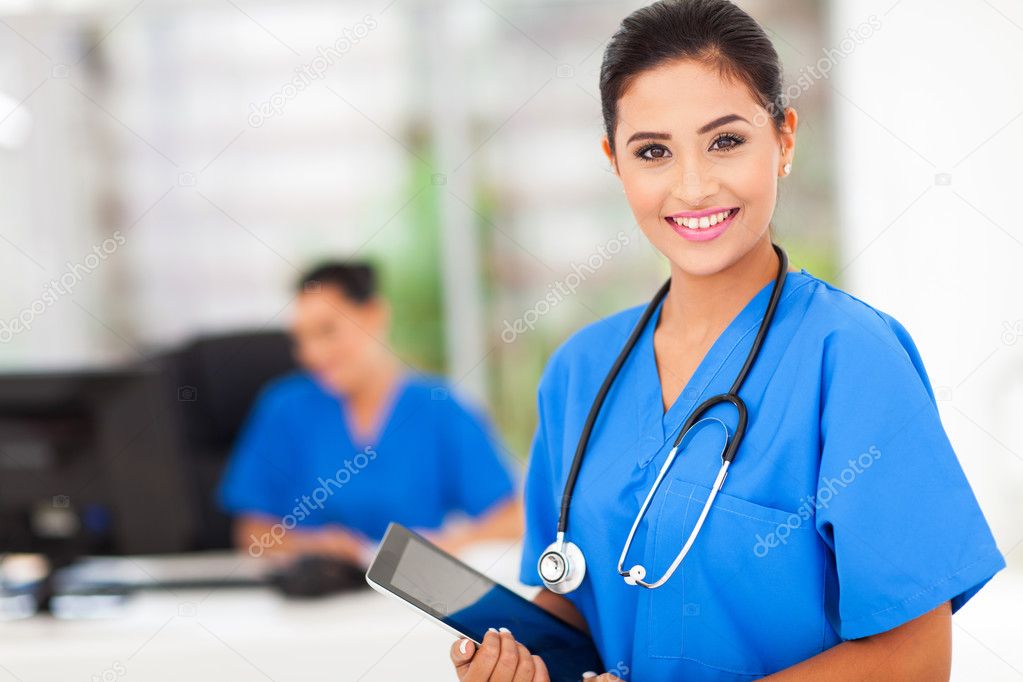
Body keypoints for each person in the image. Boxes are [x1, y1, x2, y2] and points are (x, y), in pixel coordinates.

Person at [448, 1, 1005, 680]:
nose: (692, 185)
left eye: (725, 141)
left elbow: (914, 660)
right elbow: (578, 597)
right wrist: (519, 661)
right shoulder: (579, 372)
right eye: (652, 151)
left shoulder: (852, 358)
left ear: (785, 140)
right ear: (614, 163)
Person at [217, 261, 522, 565]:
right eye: (301, 339)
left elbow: (513, 518)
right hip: (312, 597)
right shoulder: (284, 409)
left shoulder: (439, 408)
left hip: (405, 597)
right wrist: (312, 546)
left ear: (375, 315)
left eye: (327, 331)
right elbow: (251, 533)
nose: (312, 354)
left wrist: (448, 545)